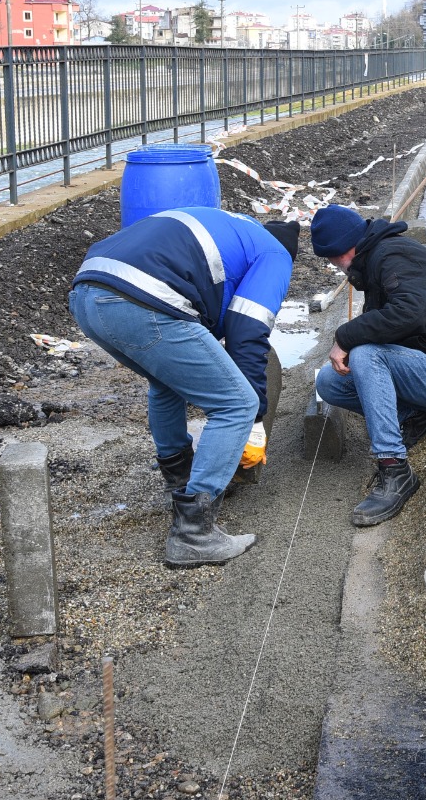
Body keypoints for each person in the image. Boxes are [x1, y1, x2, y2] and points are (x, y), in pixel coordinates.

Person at [69, 208, 299, 567]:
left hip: (88, 295)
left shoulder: (231, 228)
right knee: (237, 403)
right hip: (142, 299)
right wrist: (255, 419)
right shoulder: (275, 254)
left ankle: (180, 479)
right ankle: (194, 534)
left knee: (166, 383)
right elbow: (248, 330)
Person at [309, 204, 426, 526]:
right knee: (329, 383)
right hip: (422, 370)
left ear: (341, 249)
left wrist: (344, 338)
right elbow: (384, 325)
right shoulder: (375, 258)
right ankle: (419, 416)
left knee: (364, 354)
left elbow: (407, 314)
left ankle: (395, 468)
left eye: (331, 259)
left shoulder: (394, 255)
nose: (335, 267)